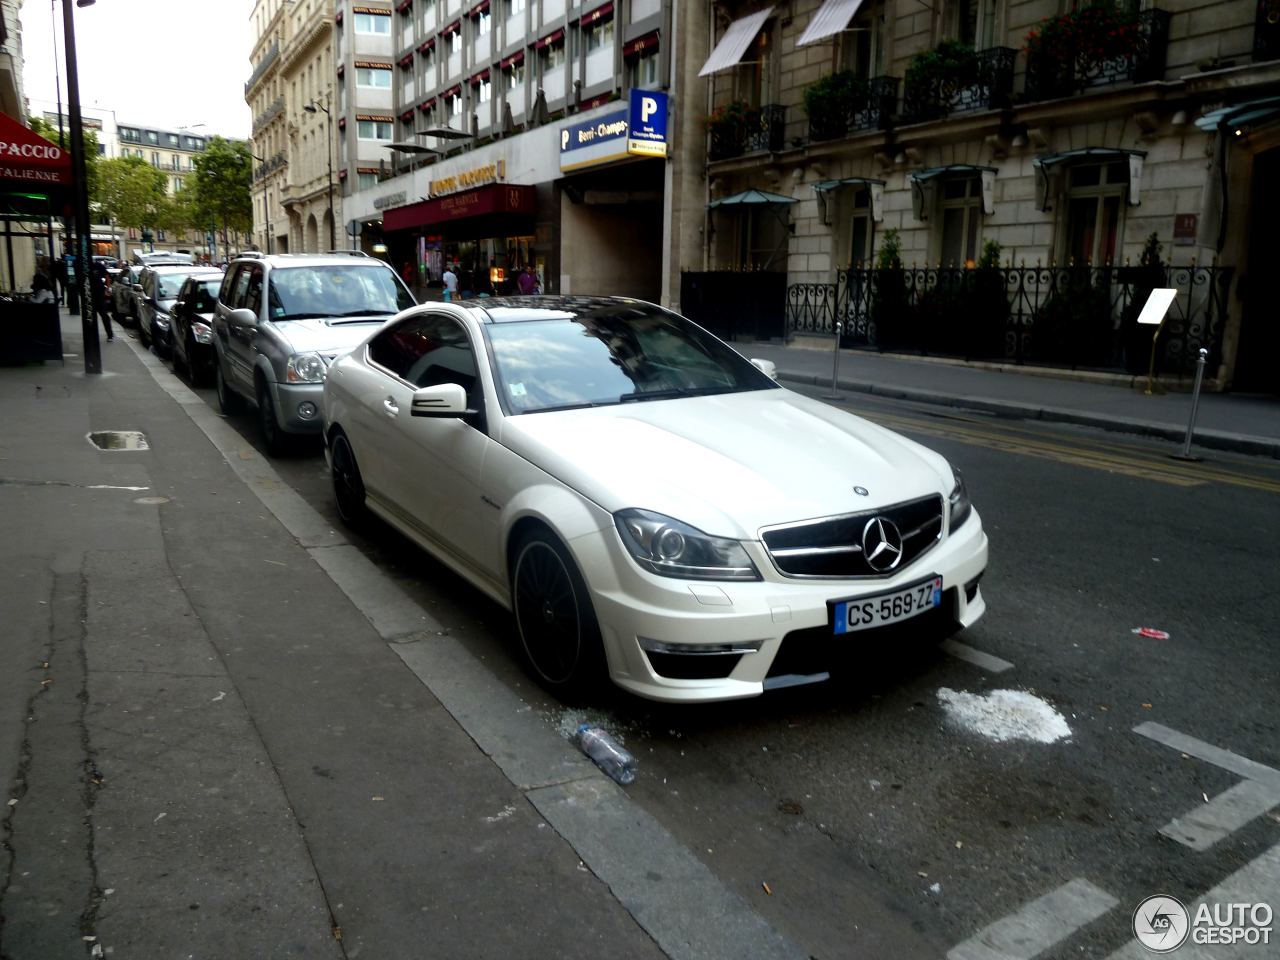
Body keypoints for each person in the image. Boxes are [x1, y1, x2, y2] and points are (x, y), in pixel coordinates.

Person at [91, 259, 115, 341]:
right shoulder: (87, 267)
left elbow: (107, 276)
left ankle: (110, 334)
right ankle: (94, 335)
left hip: (99, 293)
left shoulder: (98, 266)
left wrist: (108, 288)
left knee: (104, 314)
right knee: (92, 316)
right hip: (91, 294)